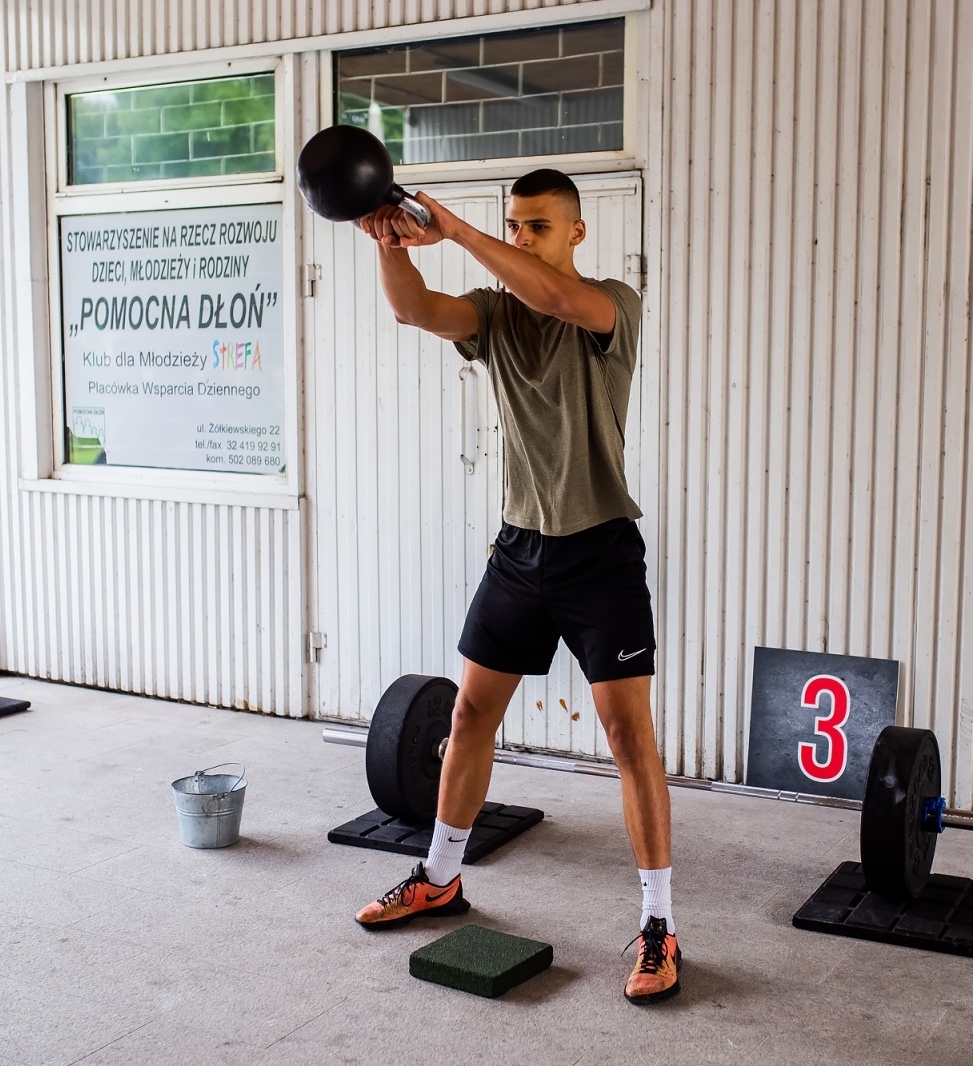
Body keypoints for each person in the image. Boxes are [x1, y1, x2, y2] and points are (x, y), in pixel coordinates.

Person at [348, 169, 680, 1005]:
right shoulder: (495, 317)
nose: (523, 237)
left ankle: (657, 925)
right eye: (515, 226)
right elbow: (415, 311)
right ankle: (439, 876)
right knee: (468, 713)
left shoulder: (611, 305)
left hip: (599, 553)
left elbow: (560, 303)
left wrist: (458, 232)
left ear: (575, 233)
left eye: (537, 227)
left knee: (627, 736)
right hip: (520, 551)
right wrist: (392, 246)